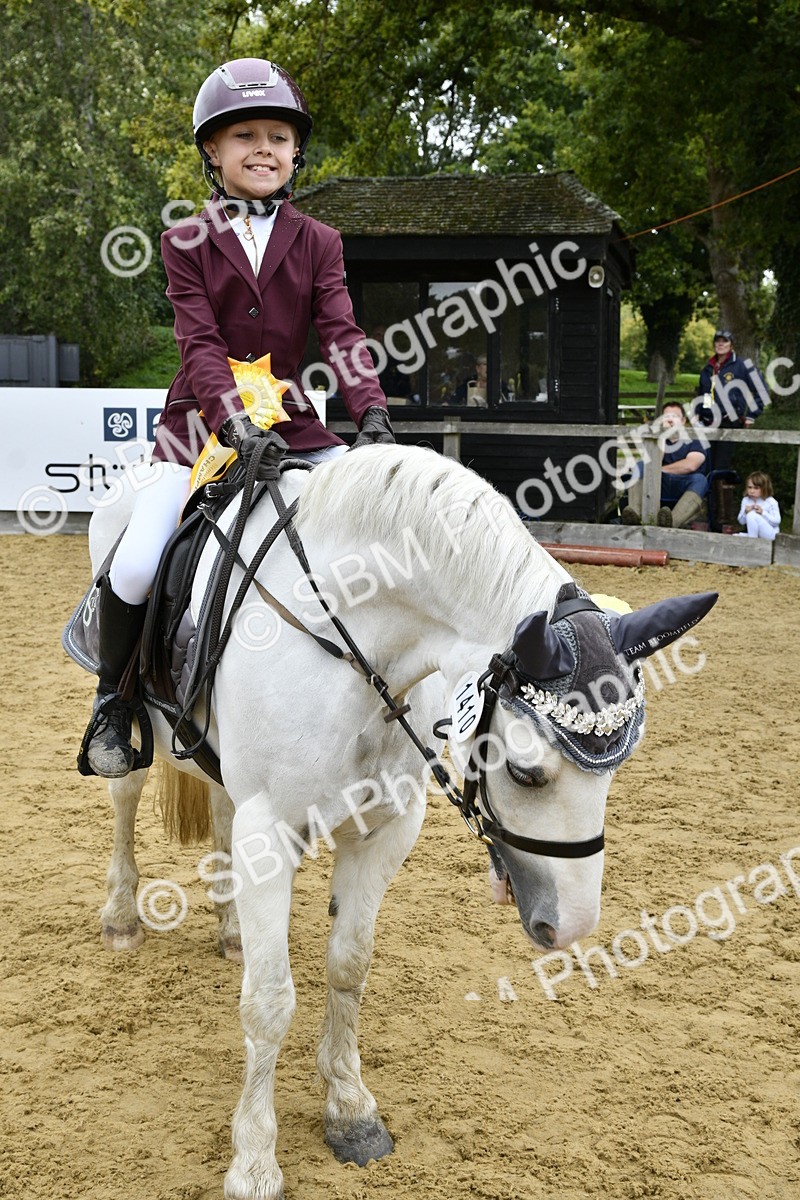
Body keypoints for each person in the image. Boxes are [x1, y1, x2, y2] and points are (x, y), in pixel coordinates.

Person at [80, 57, 394, 779]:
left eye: (277, 137)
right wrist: (230, 422)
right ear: (212, 155)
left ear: (295, 153)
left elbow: (342, 333)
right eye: (244, 135)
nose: (263, 149)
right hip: (199, 429)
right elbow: (200, 343)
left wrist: (370, 412)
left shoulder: (320, 241)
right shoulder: (184, 241)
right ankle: (114, 702)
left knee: (381, 525)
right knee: (134, 562)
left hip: (293, 425)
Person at [621, 401, 709, 528]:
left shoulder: (695, 439)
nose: (670, 420)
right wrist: (661, 437)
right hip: (659, 484)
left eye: (675, 416)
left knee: (700, 480)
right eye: (666, 417)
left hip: (684, 486)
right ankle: (634, 514)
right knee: (640, 465)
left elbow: (691, 465)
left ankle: (672, 521)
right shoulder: (655, 439)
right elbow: (650, 463)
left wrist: (659, 469)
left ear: (683, 420)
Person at [695, 329, 767, 472]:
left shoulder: (743, 365)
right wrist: (699, 412)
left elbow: (762, 390)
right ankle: (707, 495)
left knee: (720, 468)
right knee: (704, 466)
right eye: (717, 341)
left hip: (730, 422)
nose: (720, 344)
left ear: (731, 345)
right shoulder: (708, 368)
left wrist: (752, 415)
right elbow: (705, 394)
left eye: (724, 341)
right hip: (708, 423)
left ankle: (720, 494)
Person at [736, 471, 781, 540]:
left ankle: (752, 542)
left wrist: (763, 513)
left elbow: (776, 522)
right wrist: (745, 512)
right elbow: (741, 522)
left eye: (756, 488)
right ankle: (752, 538)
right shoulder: (746, 500)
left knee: (751, 515)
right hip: (755, 534)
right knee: (735, 535)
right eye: (750, 487)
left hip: (772, 534)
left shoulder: (771, 501)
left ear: (764, 488)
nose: (752, 491)